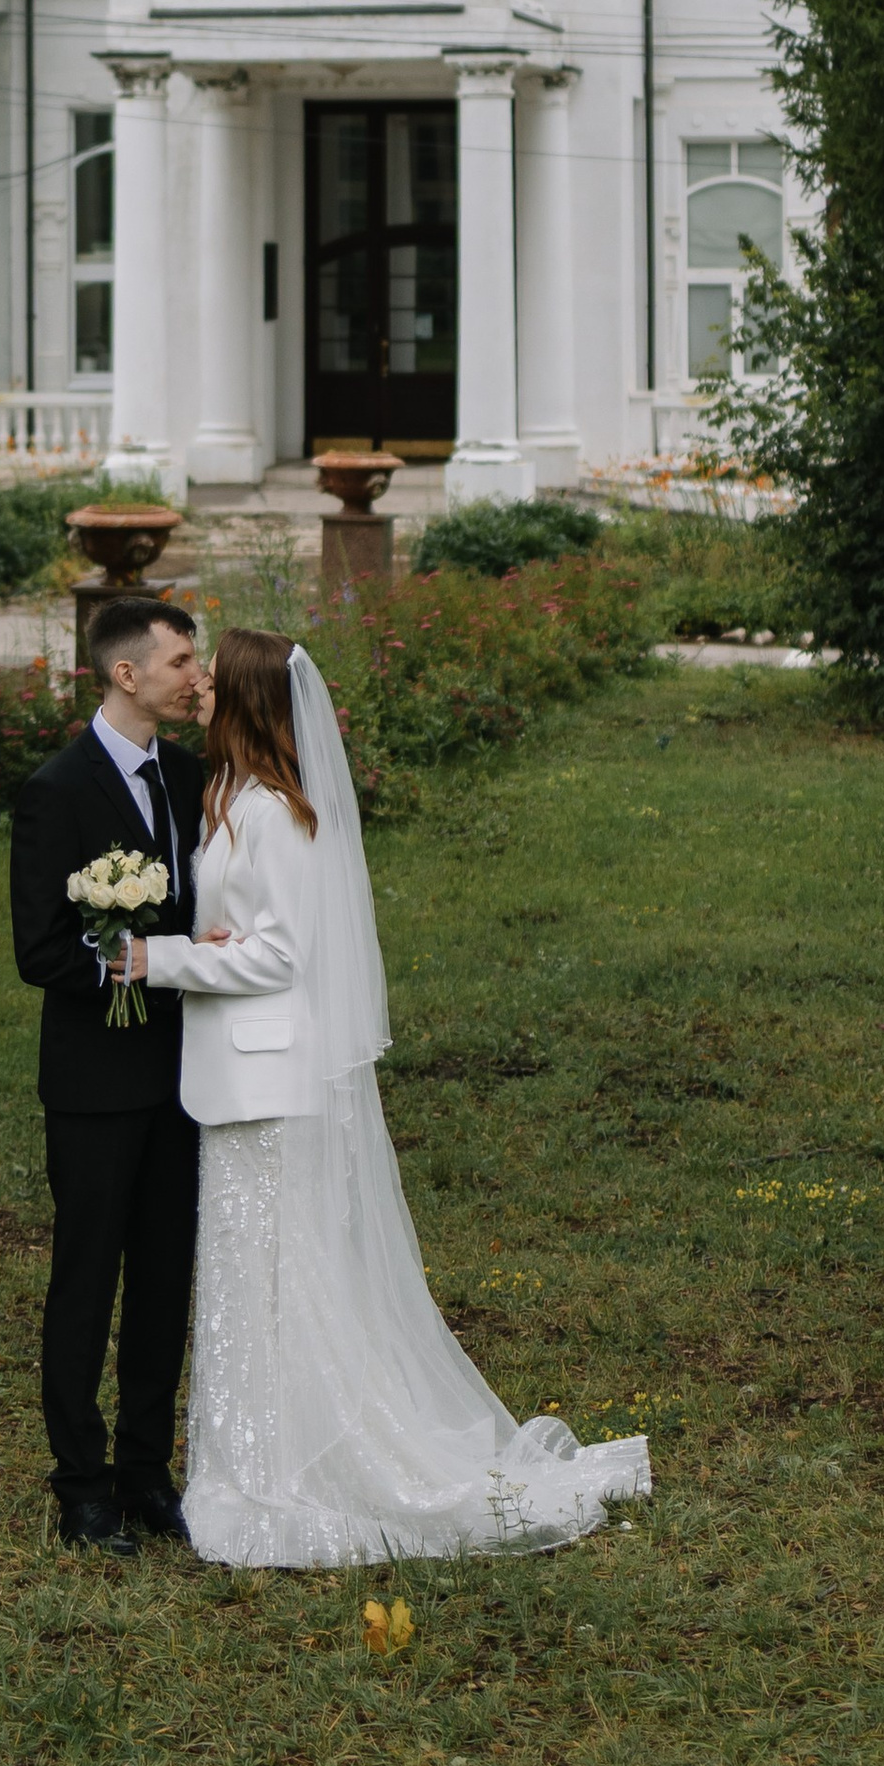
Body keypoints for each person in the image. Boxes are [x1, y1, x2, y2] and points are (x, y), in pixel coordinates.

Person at [125, 624, 649, 1565]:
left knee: (286, 1275)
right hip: (232, 1080)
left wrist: (166, 959)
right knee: (255, 1277)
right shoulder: (230, 791)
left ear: (246, 696)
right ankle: (255, 1455)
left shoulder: (278, 814)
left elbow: (283, 952)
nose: (197, 683)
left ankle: (300, 1466)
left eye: (213, 674)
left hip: (267, 1080)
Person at [8, 593, 207, 1553]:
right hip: (92, 1083)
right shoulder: (56, 789)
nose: (193, 676)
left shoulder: (193, 775)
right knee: (87, 1282)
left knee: (165, 1283)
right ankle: (81, 1487)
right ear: (126, 674)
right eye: (179, 662)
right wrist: (127, 964)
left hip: (182, 1077)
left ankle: (145, 1474)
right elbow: (40, 952)